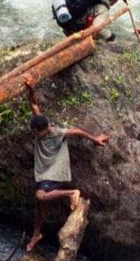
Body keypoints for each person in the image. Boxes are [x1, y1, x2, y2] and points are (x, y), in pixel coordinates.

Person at [22, 76, 108, 251]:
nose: (33, 134)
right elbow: (34, 105)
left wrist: (95, 139)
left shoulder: (55, 133)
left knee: (40, 196)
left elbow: (75, 131)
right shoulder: (40, 124)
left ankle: (72, 193)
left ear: (43, 130)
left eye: (35, 132)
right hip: (43, 172)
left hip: (55, 172)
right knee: (39, 206)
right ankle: (37, 234)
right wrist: (30, 88)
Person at [52, 0, 126, 41]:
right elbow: (96, 29)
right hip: (72, 25)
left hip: (62, 14)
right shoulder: (103, 9)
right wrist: (110, 36)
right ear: (114, 0)